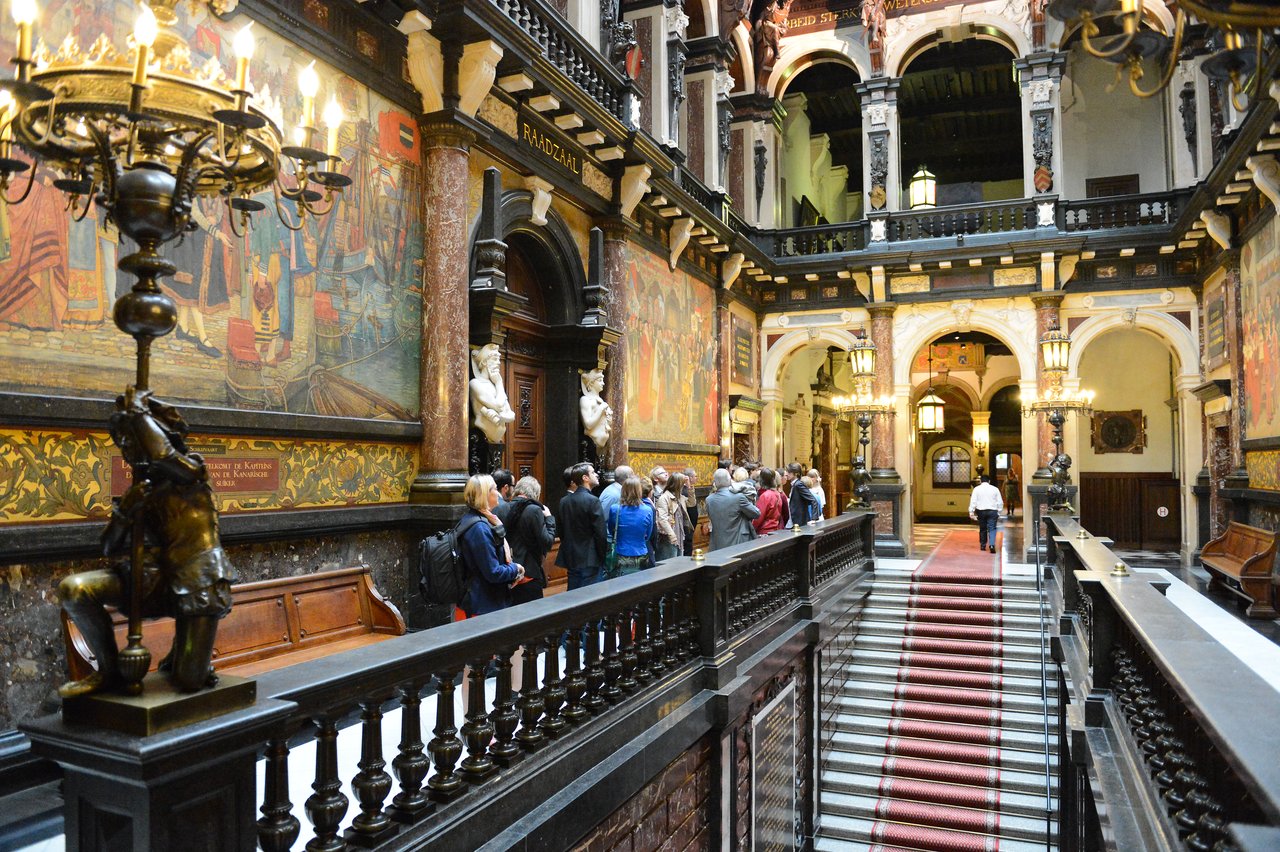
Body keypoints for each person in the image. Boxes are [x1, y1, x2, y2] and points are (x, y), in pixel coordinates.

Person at [457, 474, 524, 616]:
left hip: (486, 601)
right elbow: (493, 572)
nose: (497, 492)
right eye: (494, 488)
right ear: (484, 495)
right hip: (484, 605)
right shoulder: (479, 528)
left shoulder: (483, 521)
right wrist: (515, 569)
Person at [504, 476, 557, 605]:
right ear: (535, 493)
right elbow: (547, 542)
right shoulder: (534, 510)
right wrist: (549, 518)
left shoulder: (502, 507)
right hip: (528, 573)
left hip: (507, 572)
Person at [555, 462, 607, 589]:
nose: (597, 474)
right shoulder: (593, 500)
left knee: (573, 597)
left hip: (571, 557)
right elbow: (600, 533)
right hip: (590, 558)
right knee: (590, 599)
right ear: (585, 478)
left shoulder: (564, 501)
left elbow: (561, 531)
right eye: (593, 472)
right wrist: (603, 557)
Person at [606, 476, 655, 577]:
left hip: (620, 553)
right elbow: (648, 535)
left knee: (620, 586)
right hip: (641, 553)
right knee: (640, 584)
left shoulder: (615, 509)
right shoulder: (647, 510)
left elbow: (611, 531)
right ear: (639, 491)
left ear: (623, 490)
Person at [706, 468, 761, 551]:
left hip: (718, 544)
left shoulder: (709, 500)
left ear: (715, 483)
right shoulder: (738, 497)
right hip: (738, 543)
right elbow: (756, 513)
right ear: (729, 480)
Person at [655, 472, 689, 561]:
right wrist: (672, 535)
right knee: (669, 564)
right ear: (677, 484)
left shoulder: (680, 497)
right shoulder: (664, 498)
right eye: (683, 483)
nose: (684, 486)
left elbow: (692, 503)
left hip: (679, 534)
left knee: (678, 564)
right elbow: (662, 519)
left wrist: (690, 487)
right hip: (669, 537)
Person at [968, 474, 1005, 553]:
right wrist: (999, 511)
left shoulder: (976, 489)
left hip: (981, 511)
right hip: (992, 511)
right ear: (989, 481)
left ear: (981, 481)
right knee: (992, 528)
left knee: (983, 528)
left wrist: (971, 511)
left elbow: (973, 501)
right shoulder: (995, 489)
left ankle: (983, 545)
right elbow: (1000, 502)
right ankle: (991, 545)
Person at [752, 468, 787, 536]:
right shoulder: (777, 493)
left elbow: (758, 516)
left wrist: (752, 528)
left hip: (764, 531)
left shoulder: (765, 496)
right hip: (775, 529)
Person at [682, 467, 699, 556]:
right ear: (690, 478)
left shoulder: (689, 489)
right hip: (687, 526)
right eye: (695, 476)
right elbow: (690, 509)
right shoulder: (685, 491)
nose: (696, 478)